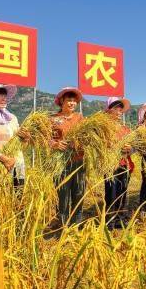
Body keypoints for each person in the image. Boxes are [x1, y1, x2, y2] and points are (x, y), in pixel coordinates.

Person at [50, 87, 86, 225]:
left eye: (74, 101)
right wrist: (54, 144)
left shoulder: (80, 118)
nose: (72, 103)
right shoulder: (53, 119)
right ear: (61, 102)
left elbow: (88, 137)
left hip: (79, 161)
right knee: (62, 195)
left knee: (79, 193)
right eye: (68, 100)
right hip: (61, 163)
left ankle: (76, 225)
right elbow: (44, 138)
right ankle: (63, 225)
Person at [104, 97, 134, 228]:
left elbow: (134, 146)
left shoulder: (126, 129)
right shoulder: (104, 128)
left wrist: (130, 149)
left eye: (121, 109)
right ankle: (109, 220)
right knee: (111, 193)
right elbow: (99, 146)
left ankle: (120, 218)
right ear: (109, 110)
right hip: (110, 165)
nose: (119, 111)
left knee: (123, 192)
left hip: (124, 164)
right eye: (116, 108)